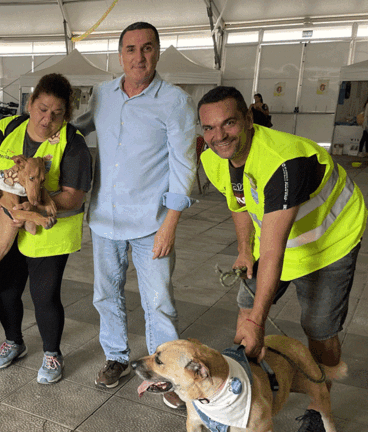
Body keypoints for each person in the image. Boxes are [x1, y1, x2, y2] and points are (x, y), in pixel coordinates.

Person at [198, 85, 366, 431]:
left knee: (319, 328)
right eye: (209, 128)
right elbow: (239, 202)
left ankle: (320, 405)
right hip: (277, 238)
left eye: (229, 123)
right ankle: (247, 391)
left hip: (330, 242)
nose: (219, 136)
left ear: (249, 119)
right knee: (246, 307)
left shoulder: (284, 162)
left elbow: (274, 251)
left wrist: (259, 324)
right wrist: (245, 250)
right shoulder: (213, 157)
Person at [74, 21, 197, 408]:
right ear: (120, 55)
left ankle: (167, 372)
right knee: (106, 295)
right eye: (131, 49)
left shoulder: (175, 101)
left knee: (158, 301)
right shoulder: (102, 94)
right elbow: (76, 130)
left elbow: (184, 166)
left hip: (151, 222)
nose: (139, 56)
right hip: (104, 219)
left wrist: (170, 224)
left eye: (147, 48)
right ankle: (117, 358)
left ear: (157, 52)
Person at [0, 73, 92, 384]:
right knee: (6, 290)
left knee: (44, 295)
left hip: (50, 232)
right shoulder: (7, 128)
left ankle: (52, 353)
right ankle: (14, 342)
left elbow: (73, 196)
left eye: (57, 113)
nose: (47, 119)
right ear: (30, 104)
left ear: (67, 115)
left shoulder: (73, 143)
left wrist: (34, 206)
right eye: (42, 109)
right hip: (7, 228)